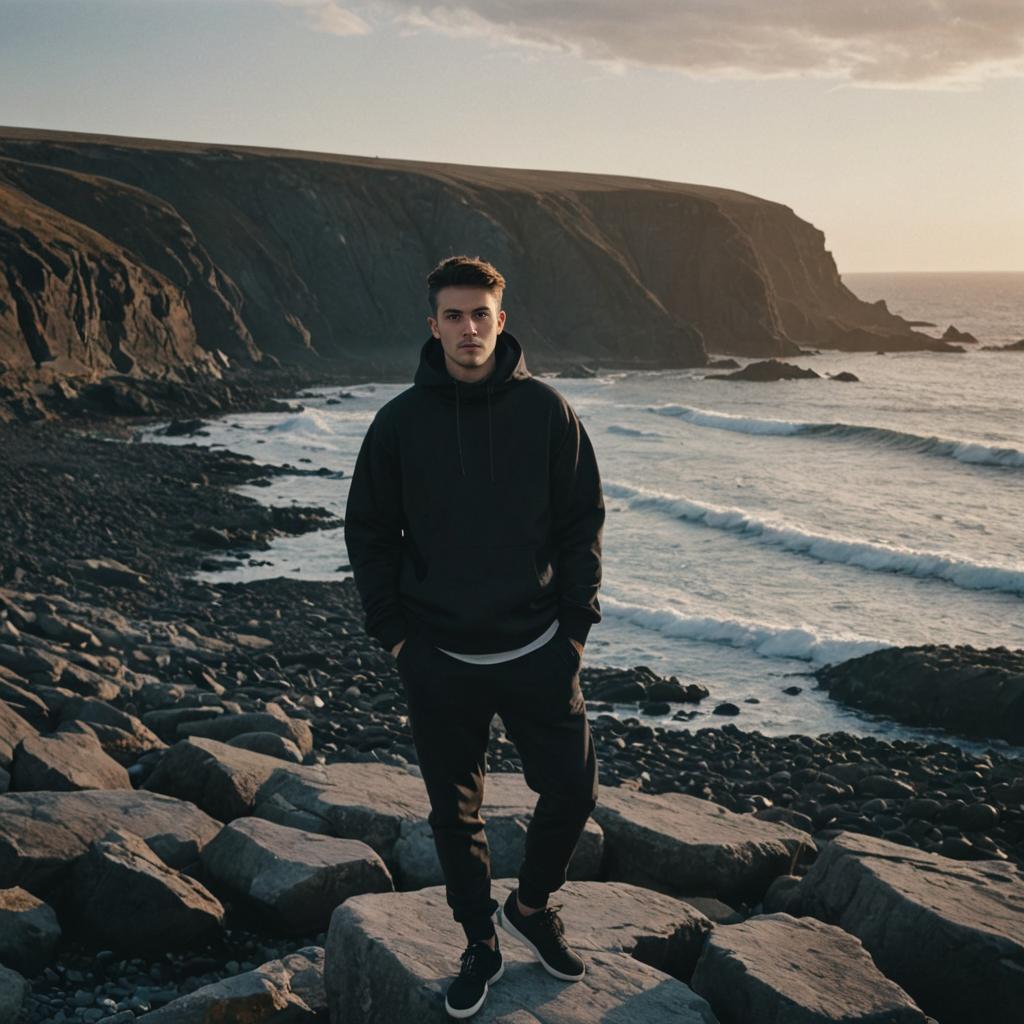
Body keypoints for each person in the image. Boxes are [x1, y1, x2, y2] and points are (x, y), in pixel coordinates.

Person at [344, 255, 604, 1019]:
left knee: (573, 790)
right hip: (439, 658)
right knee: (453, 816)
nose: (467, 329)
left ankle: (529, 907)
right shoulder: (399, 423)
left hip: (537, 650)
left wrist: (573, 633)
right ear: (433, 326)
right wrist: (398, 640)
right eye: (453, 316)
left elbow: (582, 524)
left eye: (479, 314)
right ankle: (478, 943)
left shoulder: (548, 413)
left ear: (501, 318)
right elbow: (368, 532)